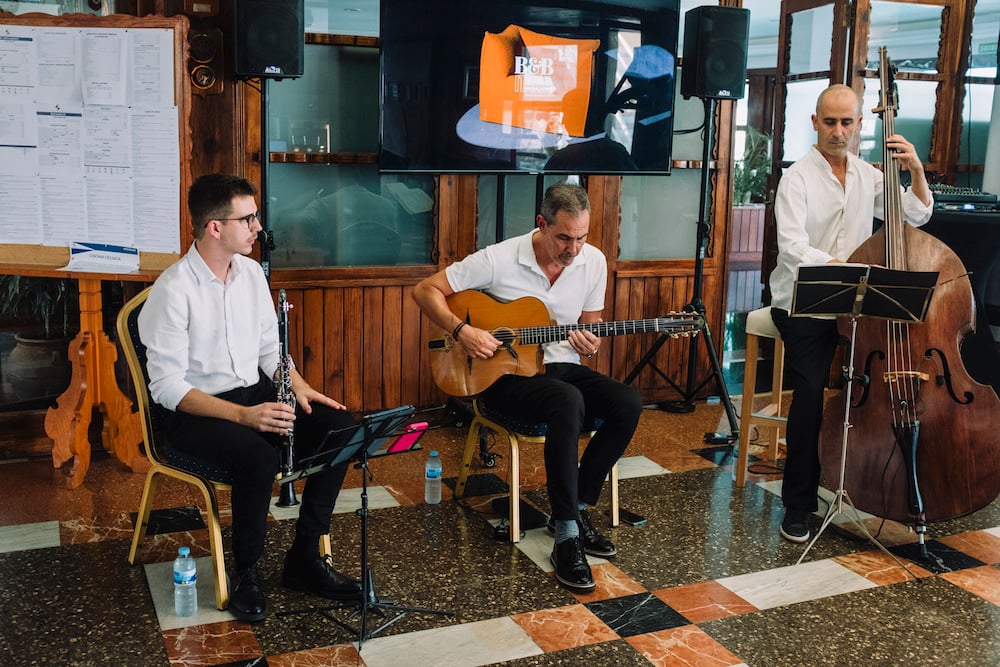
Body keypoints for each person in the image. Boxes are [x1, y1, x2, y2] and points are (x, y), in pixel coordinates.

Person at [138, 173, 362, 622]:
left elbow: (268, 351)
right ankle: (247, 571)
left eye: (256, 216)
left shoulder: (252, 275)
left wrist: (298, 384)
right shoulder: (172, 290)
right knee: (258, 458)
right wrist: (244, 416)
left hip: (252, 393)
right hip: (195, 410)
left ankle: (304, 559)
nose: (259, 227)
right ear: (214, 227)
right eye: (248, 218)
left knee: (343, 428)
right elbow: (167, 389)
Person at [412, 181, 643, 593]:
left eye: (582, 237)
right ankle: (568, 536)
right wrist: (462, 330)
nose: (574, 249)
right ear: (541, 224)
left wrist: (590, 343)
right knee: (567, 401)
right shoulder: (500, 258)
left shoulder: (593, 261)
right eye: (564, 238)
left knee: (627, 402)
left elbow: (589, 328)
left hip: (560, 368)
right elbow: (424, 290)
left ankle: (576, 507)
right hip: (503, 377)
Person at [768, 84, 933, 543]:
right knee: (809, 394)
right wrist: (849, 269)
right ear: (815, 123)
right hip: (803, 304)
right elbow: (793, 249)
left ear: (860, 124)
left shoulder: (868, 175)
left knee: (878, 389)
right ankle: (798, 505)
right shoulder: (797, 177)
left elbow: (916, 214)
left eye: (847, 122)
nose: (838, 131)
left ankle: (871, 485)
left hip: (857, 306)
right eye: (829, 122)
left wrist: (915, 168)